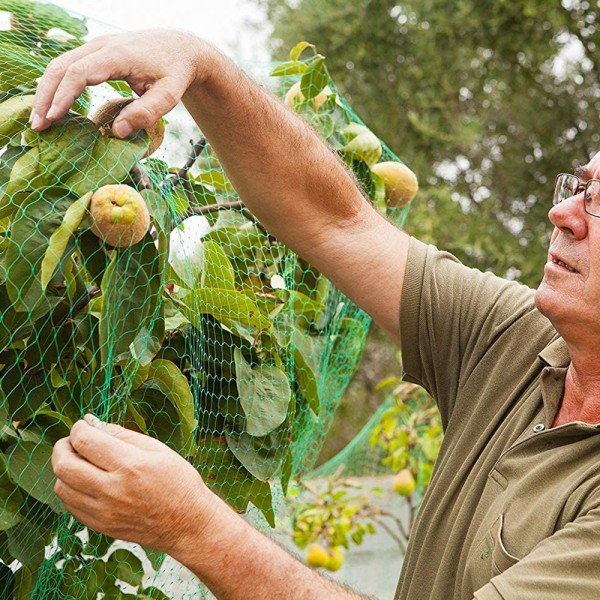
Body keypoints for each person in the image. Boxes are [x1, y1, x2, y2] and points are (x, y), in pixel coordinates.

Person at [34, 29, 600, 600]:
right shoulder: (518, 338)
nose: (562, 213)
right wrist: (203, 65)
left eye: (599, 205)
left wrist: (193, 525)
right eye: (579, 187)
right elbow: (336, 222)